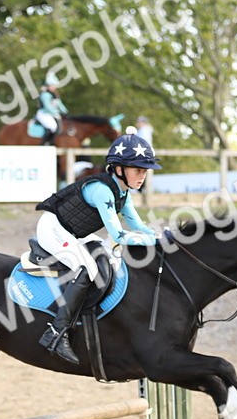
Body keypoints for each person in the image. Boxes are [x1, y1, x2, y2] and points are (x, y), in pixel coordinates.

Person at [32, 128, 161, 364]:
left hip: (75, 233)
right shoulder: (102, 191)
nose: (143, 176)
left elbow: (138, 225)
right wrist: (156, 241)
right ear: (119, 169)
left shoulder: (124, 192)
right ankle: (56, 333)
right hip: (53, 229)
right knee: (88, 268)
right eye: (138, 170)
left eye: (145, 171)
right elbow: (120, 235)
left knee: (108, 260)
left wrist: (162, 237)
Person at [35, 73, 69, 146]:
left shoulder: (55, 94)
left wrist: (65, 112)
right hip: (44, 114)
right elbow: (48, 107)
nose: (55, 87)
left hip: (52, 114)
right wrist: (57, 112)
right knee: (53, 126)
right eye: (53, 85)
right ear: (49, 85)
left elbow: (59, 104)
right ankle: (46, 143)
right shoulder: (45, 94)